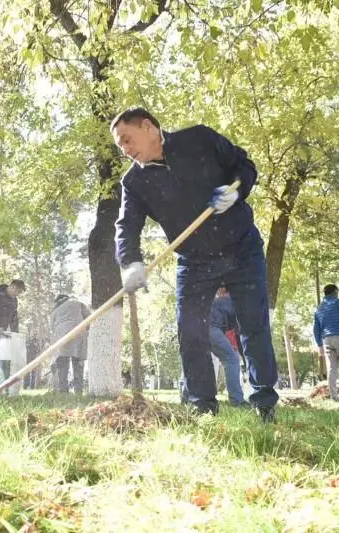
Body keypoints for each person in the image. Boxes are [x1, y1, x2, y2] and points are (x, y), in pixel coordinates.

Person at [112, 107, 278, 422]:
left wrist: (236, 190)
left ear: (147, 127)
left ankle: (265, 404)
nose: (125, 150)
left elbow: (244, 165)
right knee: (190, 331)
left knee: (253, 324)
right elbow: (126, 226)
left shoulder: (200, 139)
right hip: (195, 261)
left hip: (242, 247)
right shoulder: (134, 182)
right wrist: (130, 262)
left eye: (127, 140)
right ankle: (202, 408)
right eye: (120, 146)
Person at [210, 287, 246, 406]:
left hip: (194, 328)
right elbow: (239, 335)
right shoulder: (236, 301)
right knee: (232, 360)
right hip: (212, 330)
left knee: (197, 361)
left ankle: (186, 399)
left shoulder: (216, 301)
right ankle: (237, 401)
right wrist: (246, 361)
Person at [50, 294, 91, 395]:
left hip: (61, 337)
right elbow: (89, 317)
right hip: (78, 333)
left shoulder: (54, 311)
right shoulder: (78, 304)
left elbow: (52, 327)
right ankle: (78, 391)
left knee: (62, 366)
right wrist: (85, 330)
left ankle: (63, 391)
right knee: (78, 364)